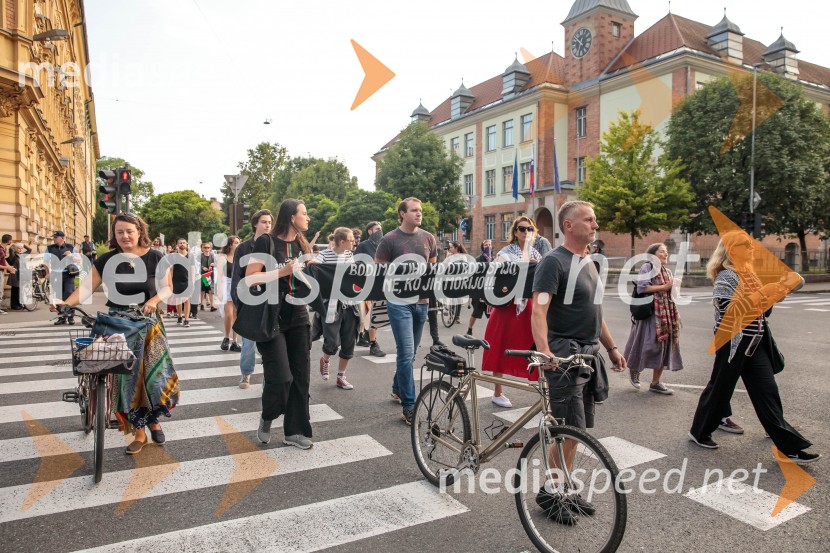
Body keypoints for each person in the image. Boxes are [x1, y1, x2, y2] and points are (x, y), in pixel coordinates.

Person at [531, 201, 627, 524]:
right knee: (567, 430)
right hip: (563, 355)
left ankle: (563, 489)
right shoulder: (552, 263)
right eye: (589, 220)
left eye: (595, 220)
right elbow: (539, 311)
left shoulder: (589, 262)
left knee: (577, 428)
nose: (595, 225)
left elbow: (595, 315)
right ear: (568, 226)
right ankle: (551, 493)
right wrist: (545, 351)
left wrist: (611, 347)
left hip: (587, 354)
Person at [688, 231, 820, 464]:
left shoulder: (750, 275)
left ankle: (789, 446)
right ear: (732, 250)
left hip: (756, 342)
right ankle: (699, 432)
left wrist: (778, 293)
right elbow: (728, 312)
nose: (751, 249)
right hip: (732, 343)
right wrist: (763, 294)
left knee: (767, 391)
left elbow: (763, 311)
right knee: (720, 388)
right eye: (746, 246)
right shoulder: (726, 277)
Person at [52, 212, 179, 455]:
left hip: (148, 321)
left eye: (129, 231)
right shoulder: (106, 259)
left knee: (153, 377)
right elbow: (88, 287)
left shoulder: (155, 257)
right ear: (114, 234)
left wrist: (153, 300)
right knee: (125, 381)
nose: (125, 236)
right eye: (119, 232)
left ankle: (154, 420)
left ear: (140, 231)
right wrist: (65, 303)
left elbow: (167, 288)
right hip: (119, 323)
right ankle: (139, 432)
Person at [244, 199, 314, 449]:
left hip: (299, 315)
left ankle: (294, 431)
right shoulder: (267, 241)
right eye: (303, 214)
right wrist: (282, 272)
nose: (307, 218)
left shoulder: (301, 244)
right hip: (271, 316)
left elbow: (304, 278)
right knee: (282, 377)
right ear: (291, 217)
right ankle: (268, 415)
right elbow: (251, 278)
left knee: (301, 378)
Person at [375, 197, 437, 424]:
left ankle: (396, 386)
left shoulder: (428, 237)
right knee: (406, 351)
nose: (419, 214)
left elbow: (432, 269)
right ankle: (409, 405)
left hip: (421, 302)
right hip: (398, 302)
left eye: (420, 210)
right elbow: (379, 272)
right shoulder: (389, 240)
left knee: (410, 354)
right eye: (414, 210)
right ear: (402, 214)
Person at [482, 216, 543, 408]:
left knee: (538, 346)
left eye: (530, 229)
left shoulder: (537, 253)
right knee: (500, 346)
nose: (526, 232)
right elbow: (497, 280)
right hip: (507, 308)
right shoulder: (505, 253)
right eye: (522, 229)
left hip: (530, 307)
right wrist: (521, 268)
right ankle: (497, 391)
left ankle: (544, 390)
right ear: (515, 232)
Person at [624, 243, 683, 394]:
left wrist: (674, 287)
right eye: (662, 251)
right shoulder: (648, 267)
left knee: (663, 347)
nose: (666, 254)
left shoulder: (668, 271)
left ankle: (655, 382)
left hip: (666, 314)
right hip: (650, 313)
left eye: (666, 251)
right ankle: (634, 370)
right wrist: (665, 286)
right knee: (645, 344)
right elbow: (642, 288)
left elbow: (672, 295)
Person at [232, 209, 272, 389]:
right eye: (264, 222)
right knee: (248, 341)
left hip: (270, 299)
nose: (268, 225)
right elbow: (237, 276)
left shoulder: (274, 245)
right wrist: (238, 300)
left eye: (270, 222)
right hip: (249, 299)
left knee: (269, 341)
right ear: (255, 224)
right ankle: (246, 374)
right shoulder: (243, 248)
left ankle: (268, 380)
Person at [316, 227, 360, 390]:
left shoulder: (349, 255)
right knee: (332, 342)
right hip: (331, 303)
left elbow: (355, 275)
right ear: (342, 242)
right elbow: (315, 267)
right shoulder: (325, 254)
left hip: (349, 303)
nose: (354, 242)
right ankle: (325, 359)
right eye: (351, 239)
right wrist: (313, 263)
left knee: (349, 342)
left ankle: (341, 376)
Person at [354, 221, 386, 356]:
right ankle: (373, 344)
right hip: (367, 284)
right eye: (377, 229)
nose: (380, 231)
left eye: (380, 229)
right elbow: (355, 264)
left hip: (381, 283)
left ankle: (366, 334)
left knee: (377, 313)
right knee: (371, 313)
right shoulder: (363, 246)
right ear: (370, 232)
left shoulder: (383, 245)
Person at [45, 231, 78, 325]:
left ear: (62, 238)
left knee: (69, 294)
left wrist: (70, 255)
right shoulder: (50, 248)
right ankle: (62, 317)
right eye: (54, 237)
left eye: (56, 237)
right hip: (56, 274)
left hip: (68, 274)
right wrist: (47, 273)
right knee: (58, 297)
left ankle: (71, 316)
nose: (54, 239)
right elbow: (46, 262)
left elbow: (78, 259)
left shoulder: (71, 247)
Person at [217, 235, 241, 351]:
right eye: (236, 242)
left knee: (237, 314)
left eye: (239, 242)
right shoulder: (223, 257)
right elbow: (219, 275)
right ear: (230, 244)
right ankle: (226, 337)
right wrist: (220, 290)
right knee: (229, 314)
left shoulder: (239, 257)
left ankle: (235, 341)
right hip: (226, 284)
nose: (238, 244)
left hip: (237, 285)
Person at [466, 240, 493, 336]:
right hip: (479, 291)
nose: (488, 247)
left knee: (491, 314)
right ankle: (469, 329)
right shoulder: (477, 259)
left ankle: (492, 332)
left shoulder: (494, 260)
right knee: (476, 312)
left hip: (490, 291)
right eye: (486, 245)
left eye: (489, 245)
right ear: (482, 247)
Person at [171, 238, 192, 327]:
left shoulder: (190, 256)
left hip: (187, 281)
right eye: (180, 243)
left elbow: (193, 270)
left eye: (184, 243)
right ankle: (180, 316)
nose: (182, 244)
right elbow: (171, 269)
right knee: (178, 300)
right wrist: (170, 283)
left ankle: (186, 319)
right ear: (177, 245)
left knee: (187, 300)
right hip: (176, 281)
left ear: (186, 245)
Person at [7, 243, 30, 311]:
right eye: (18, 248)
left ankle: (19, 304)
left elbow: (29, 250)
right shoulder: (13, 256)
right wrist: (14, 245)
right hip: (15, 275)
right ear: (15, 249)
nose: (20, 249)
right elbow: (10, 249)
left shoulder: (22, 256)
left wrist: (23, 244)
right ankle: (14, 305)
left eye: (21, 248)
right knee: (15, 290)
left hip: (22, 275)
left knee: (20, 290)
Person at [199, 242, 217, 311]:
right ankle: (201, 304)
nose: (206, 249)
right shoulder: (200, 256)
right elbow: (197, 264)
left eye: (208, 247)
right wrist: (202, 267)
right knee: (202, 290)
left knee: (211, 290)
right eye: (205, 247)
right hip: (203, 276)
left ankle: (212, 306)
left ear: (210, 248)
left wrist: (214, 264)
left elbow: (218, 263)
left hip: (210, 275)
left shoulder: (213, 255)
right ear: (202, 248)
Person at [0, 234, 14, 314]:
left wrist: (10, 267)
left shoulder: (3, 249)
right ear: (9, 241)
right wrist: (8, 268)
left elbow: (3, 261)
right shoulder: (1, 250)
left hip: (1, 271)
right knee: (0, 291)